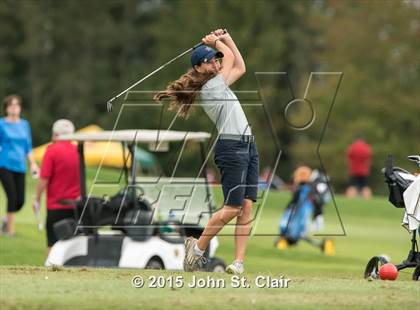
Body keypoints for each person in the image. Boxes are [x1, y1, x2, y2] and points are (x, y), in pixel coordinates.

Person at [154, 29, 258, 274]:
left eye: (215, 58)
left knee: (246, 207)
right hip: (232, 147)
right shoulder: (211, 87)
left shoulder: (218, 83)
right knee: (232, 208)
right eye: (210, 59)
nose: (216, 61)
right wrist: (218, 41)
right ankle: (198, 250)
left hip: (248, 145)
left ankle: (239, 263)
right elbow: (230, 58)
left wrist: (227, 37)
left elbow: (240, 66)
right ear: (200, 68)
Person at [33, 119, 80, 252]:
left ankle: (52, 273)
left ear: (55, 134)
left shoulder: (51, 150)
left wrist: (36, 198)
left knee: (53, 246)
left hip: (56, 206)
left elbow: (44, 178)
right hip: (76, 206)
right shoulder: (78, 151)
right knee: (73, 247)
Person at [0, 95, 39, 236]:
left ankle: (6, 220)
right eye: (11, 105)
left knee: (20, 201)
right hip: (4, 164)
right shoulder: (1, 124)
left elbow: (27, 147)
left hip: (20, 166)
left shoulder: (24, 124)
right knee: (11, 197)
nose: (14, 107)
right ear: (6, 108)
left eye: (16, 105)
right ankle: (10, 232)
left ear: (20, 108)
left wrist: (33, 164)